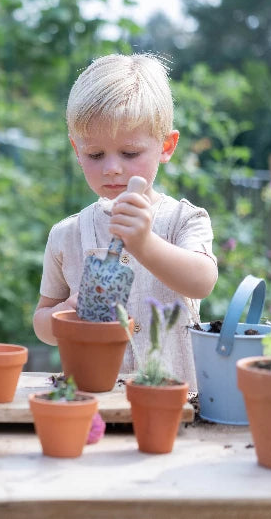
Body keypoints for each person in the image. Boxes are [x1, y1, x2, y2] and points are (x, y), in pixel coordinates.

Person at [32, 53, 218, 390]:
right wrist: (66, 314)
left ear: (166, 146)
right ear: (77, 150)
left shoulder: (183, 220)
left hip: (174, 401)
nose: (112, 168)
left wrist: (145, 244)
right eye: (95, 154)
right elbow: (41, 322)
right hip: (93, 399)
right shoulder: (67, 234)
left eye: (130, 153)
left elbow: (202, 281)